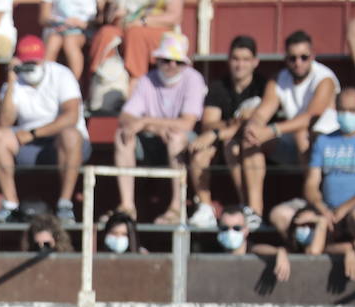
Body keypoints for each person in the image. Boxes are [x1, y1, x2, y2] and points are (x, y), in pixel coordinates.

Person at [268, 88, 355, 253]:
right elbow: (311, 184)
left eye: (352, 110)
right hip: (326, 209)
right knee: (279, 215)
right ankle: (319, 250)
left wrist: (344, 208)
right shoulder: (324, 141)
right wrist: (322, 209)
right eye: (342, 110)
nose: (347, 115)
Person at [0, 34, 88, 223]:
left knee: (70, 135)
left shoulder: (61, 74)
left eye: (34, 62)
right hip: (29, 143)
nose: (30, 67)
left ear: (43, 59)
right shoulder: (15, 81)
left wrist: (34, 133)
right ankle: (10, 204)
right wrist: (9, 83)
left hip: (61, 141)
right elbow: (4, 121)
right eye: (26, 63)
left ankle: (65, 204)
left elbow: (71, 117)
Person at [113, 31, 205, 225]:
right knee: (123, 135)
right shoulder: (147, 80)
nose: (172, 65)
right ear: (158, 59)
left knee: (176, 137)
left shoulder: (194, 80)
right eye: (167, 60)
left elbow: (187, 123)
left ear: (186, 64)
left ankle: (176, 207)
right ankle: (127, 205)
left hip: (183, 143)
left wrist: (146, 123)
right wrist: (155, 128)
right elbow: (126, 116)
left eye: (178, 62)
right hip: (152, 141)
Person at [188, 34, 272, 230]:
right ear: (229, 60)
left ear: (255, 62)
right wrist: (233, 124)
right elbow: (208, 124)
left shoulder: (263, 86)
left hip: (257, 142)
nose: (239, 64)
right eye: (235, 59)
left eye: (245, 59)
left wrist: (222, 129)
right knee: (199, 153)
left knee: (241, 145)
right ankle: (205, 208)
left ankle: (252, 210)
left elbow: (254, 124)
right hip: (225, 142)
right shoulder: (218, 87)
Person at [243, 31, 339, 167]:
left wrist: (272, 130)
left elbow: (310, 118)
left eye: (304, 57)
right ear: (286, 58)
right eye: (292, 58)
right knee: (249, 141)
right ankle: (251, 190)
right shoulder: (278, 79)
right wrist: (253, 126)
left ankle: (310, 186)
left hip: (326, 140)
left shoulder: (325, 79)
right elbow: (262, 112)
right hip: (292, 139)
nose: (298, 63)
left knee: (301, 135)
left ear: (312, 55)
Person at [85, 0, 183, 86]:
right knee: (106, 33)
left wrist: (143, 21)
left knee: (135, 34)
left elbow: (174, 17)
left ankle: (135, 84)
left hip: (157, 30)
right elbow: (111, 19)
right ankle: (98, 83)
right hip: (127, 27)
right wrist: (113, 12)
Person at [211, 201, 290, 282]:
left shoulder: (251, 249)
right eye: (225, 228)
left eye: (237, 228)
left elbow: (258, 249)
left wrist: (280, 251)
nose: (230, 232)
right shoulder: (210, 252)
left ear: (246, 230)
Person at [40, 0, 95, 76]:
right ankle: (45, 79)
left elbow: (100, 20)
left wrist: (82, 24)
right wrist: (61, 23)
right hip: (57, 29)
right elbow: (43, 18)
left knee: (70, 42)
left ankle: (74, 82)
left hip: (84, 30)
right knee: (53, 41)